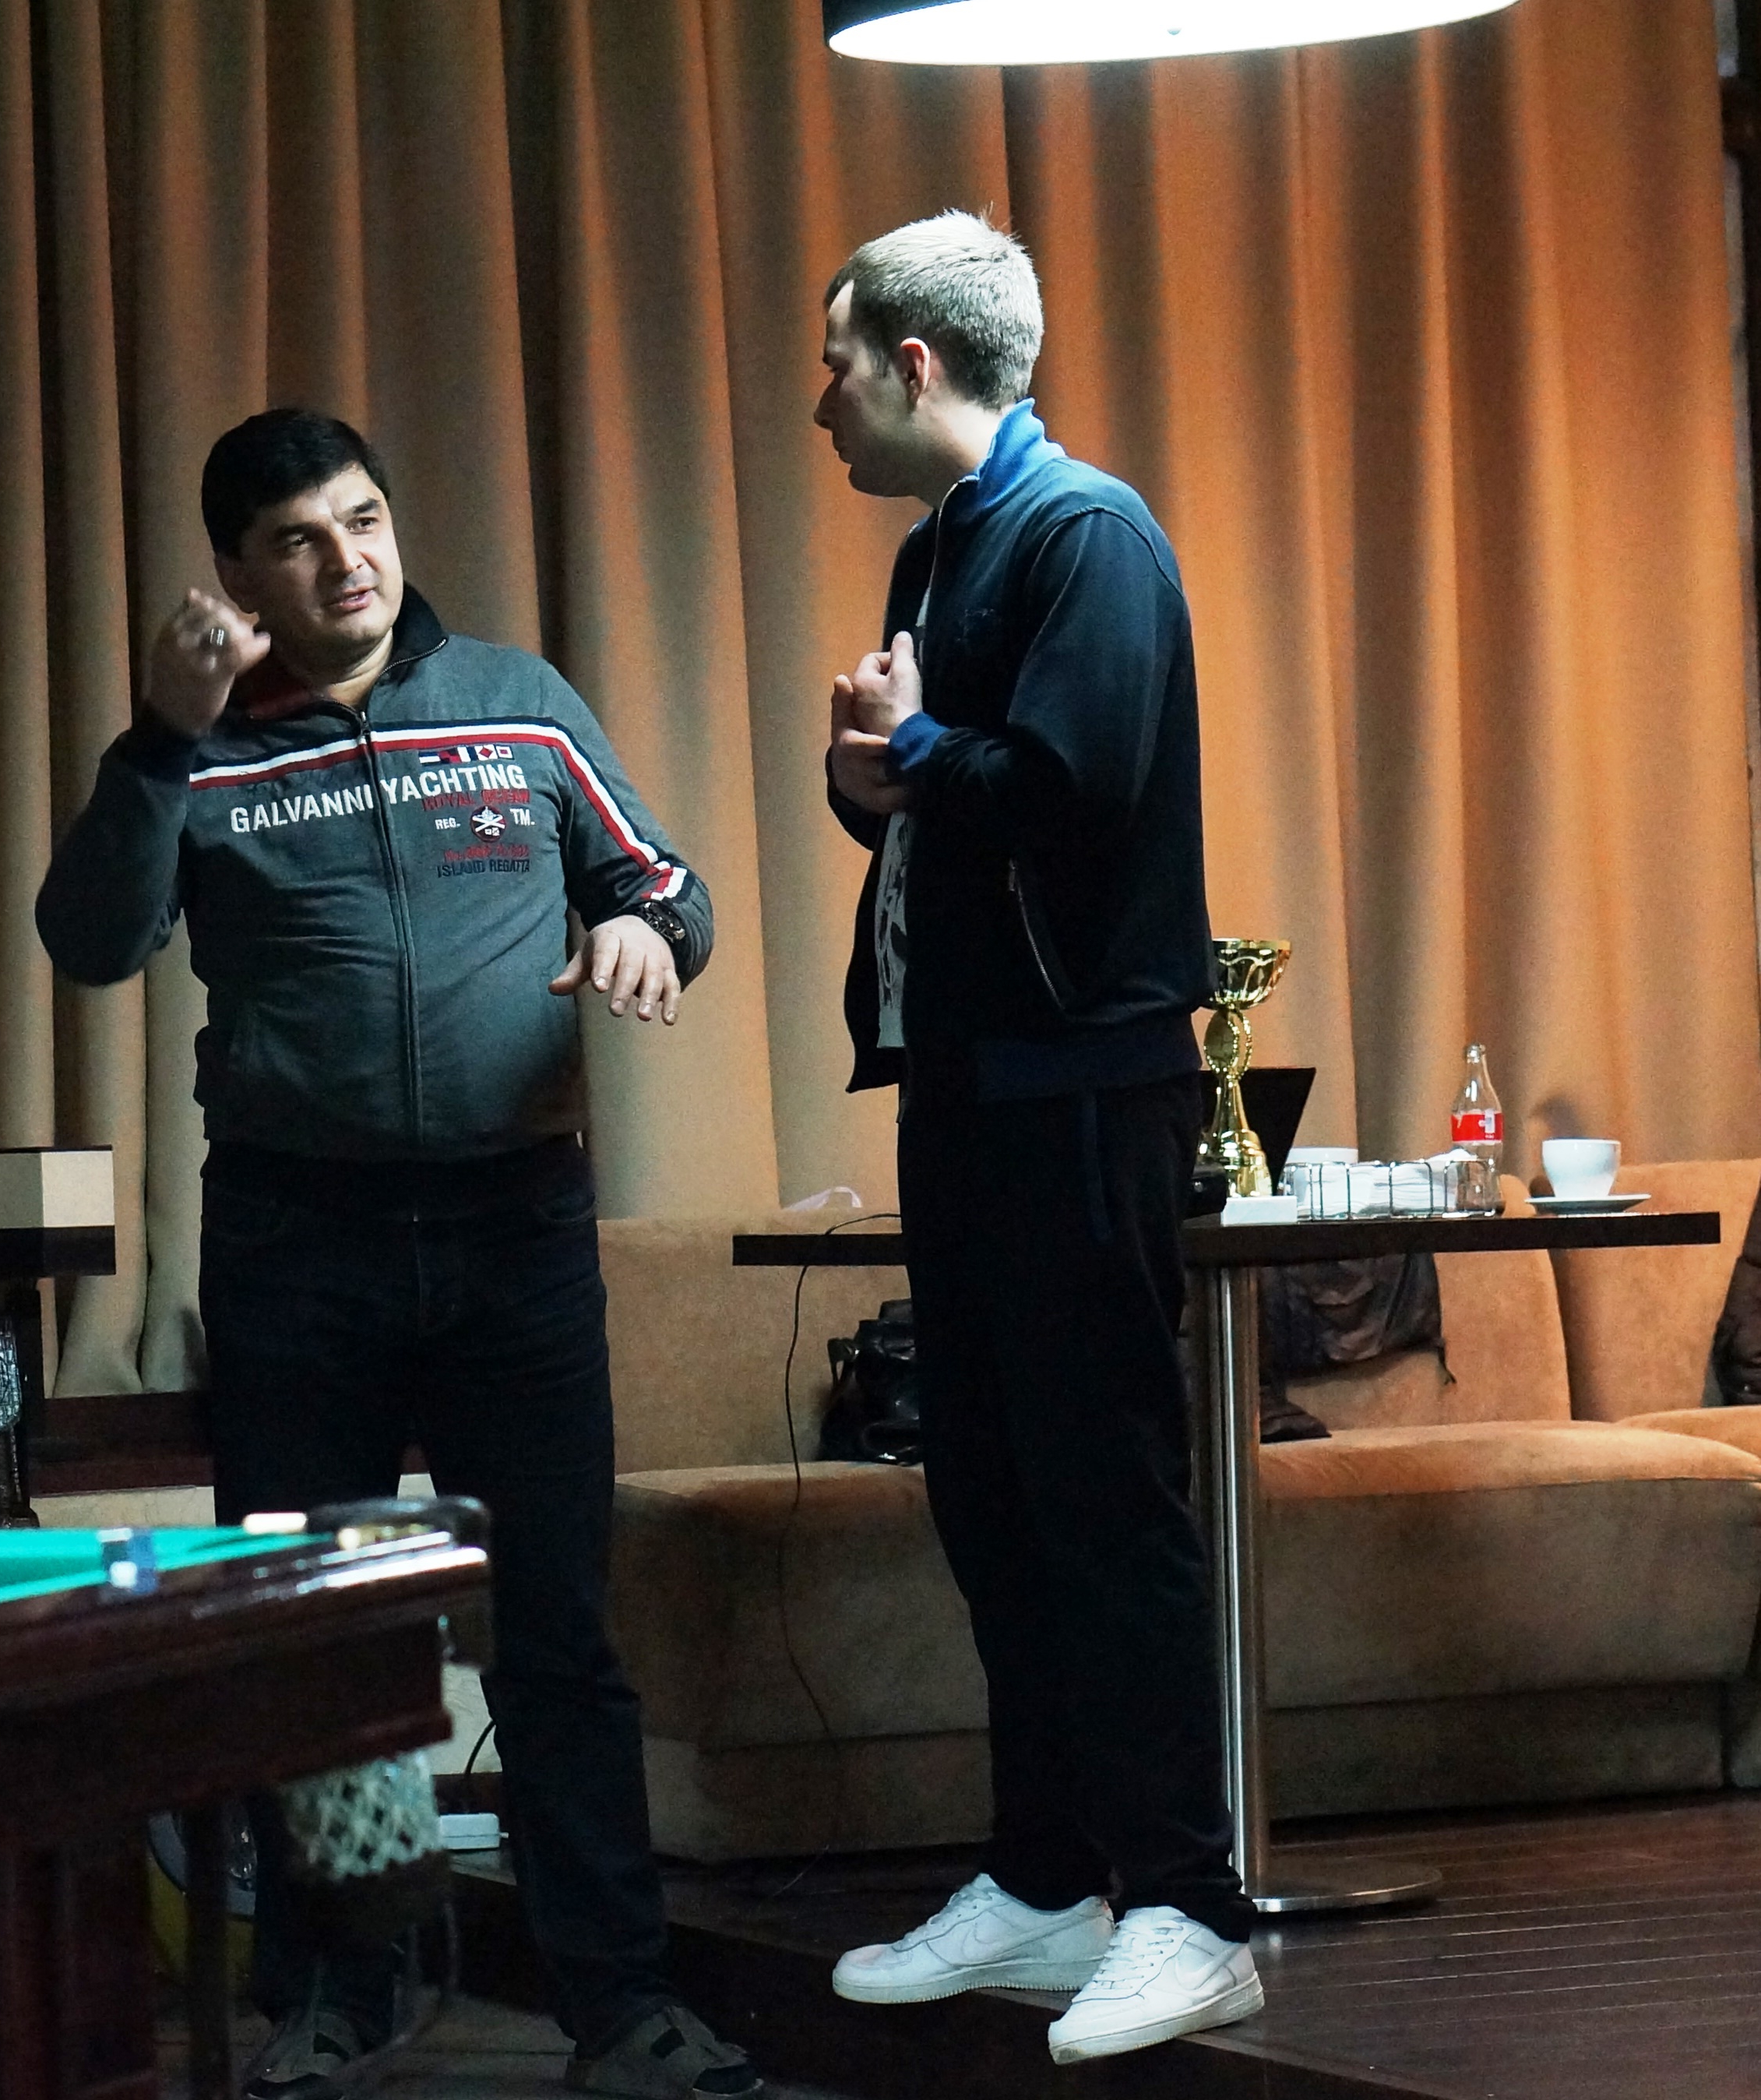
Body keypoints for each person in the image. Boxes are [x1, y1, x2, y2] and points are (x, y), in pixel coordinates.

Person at [37, 410, 756, 2100]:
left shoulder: (515, 700)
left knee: (558, 1632)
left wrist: (644, 928)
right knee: (319, 1646)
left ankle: (617, 2005)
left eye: (362, 518)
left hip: (516, 1233)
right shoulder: (197, 749)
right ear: (237, 576)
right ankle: (336, 1994)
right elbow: (91, 938)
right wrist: (158, 736)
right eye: (298, 540)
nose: (346, 560)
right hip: (300, 1244)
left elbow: (668, 884)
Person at [807, 211, 1259, 2063]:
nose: (820, 403)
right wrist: (876, 777)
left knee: (1101, 1498)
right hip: (966, 1082)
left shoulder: (1087, 533)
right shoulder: (939, 547)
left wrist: (911, 753)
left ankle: (1189, 1907)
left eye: (836, 364)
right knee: (991, 1495)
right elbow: (958, 801)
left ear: (913, 363)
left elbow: (1077, 792)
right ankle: (1044, 1874)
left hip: (1079, 1082)